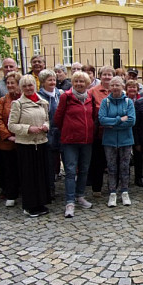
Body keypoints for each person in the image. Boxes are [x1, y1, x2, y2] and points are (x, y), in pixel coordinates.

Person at [8, 75, 51, 217]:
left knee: (40, 175)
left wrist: (45, 126)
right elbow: (12, 125)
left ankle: (41, 202)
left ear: (35, 86)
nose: (28, 88)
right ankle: (29, 205)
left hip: (41, 142)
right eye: (25, 86)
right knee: (29, 176)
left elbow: (47, 119)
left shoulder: (43, 102)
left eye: (30, 85)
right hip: (26, 144)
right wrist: (28, 129)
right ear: (21, 88)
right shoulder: (18, 104)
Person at [54, 71, 95, 218]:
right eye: (76, 81)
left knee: (84, 169)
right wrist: (69, 129)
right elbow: (58, 118)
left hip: (86, 140)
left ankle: (80, 196)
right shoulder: (66, 97)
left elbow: (93, 116)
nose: (79, 84)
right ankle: (70, 201)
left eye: (82, 81)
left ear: (87, 83)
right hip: (70, 140)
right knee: (70, 171)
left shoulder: (90, 97)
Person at [99, 76, 136, 207]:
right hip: (109, 141)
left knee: (125, 167)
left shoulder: (128, 102)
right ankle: (112, 193)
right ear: (109, 87)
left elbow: (131, 121)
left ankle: (125, 192)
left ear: (122, 87)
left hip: (126, 140)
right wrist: (120, 120)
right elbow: (102, 120)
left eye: (118, 85)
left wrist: (112, 123)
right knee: (111, 167)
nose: (115, 87)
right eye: (113, 85)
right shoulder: (105, 102)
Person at [0, 71, 21, 207]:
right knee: (9, 170)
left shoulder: (24, 98)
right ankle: (11, 194)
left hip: (22, 140)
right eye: (8, 83)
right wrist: (8, 136)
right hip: (7, 142)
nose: (10, 85)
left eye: (13, 83)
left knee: (22, 169)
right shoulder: (3, 100)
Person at [88, 65, 115, 196]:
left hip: (114, 133)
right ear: (100, 76)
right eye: (104, 74)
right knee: (98, 162)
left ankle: (113, 187)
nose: (107, 77)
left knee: (112, 162)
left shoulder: (117, 90)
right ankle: (96, 188)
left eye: (109, 74)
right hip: (99, 132)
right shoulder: (93, 91)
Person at [38, 69, 62, 198]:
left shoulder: (60, 94)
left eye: (54, 79)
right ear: (43, 82)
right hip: (47, 133)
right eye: (49, 80)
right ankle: (50, 188)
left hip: (61, 133)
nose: (53, 82)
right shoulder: (39, 97)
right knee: (49, 163)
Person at [125, 79, 143, 187]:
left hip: (138, 130)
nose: (132, 89)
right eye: (129, 87)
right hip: (126, 129)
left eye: (134, 87)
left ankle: (139, 177)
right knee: (126, 156)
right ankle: (125, 178)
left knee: (139, 155)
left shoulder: (141, 99)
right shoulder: (124, 100)